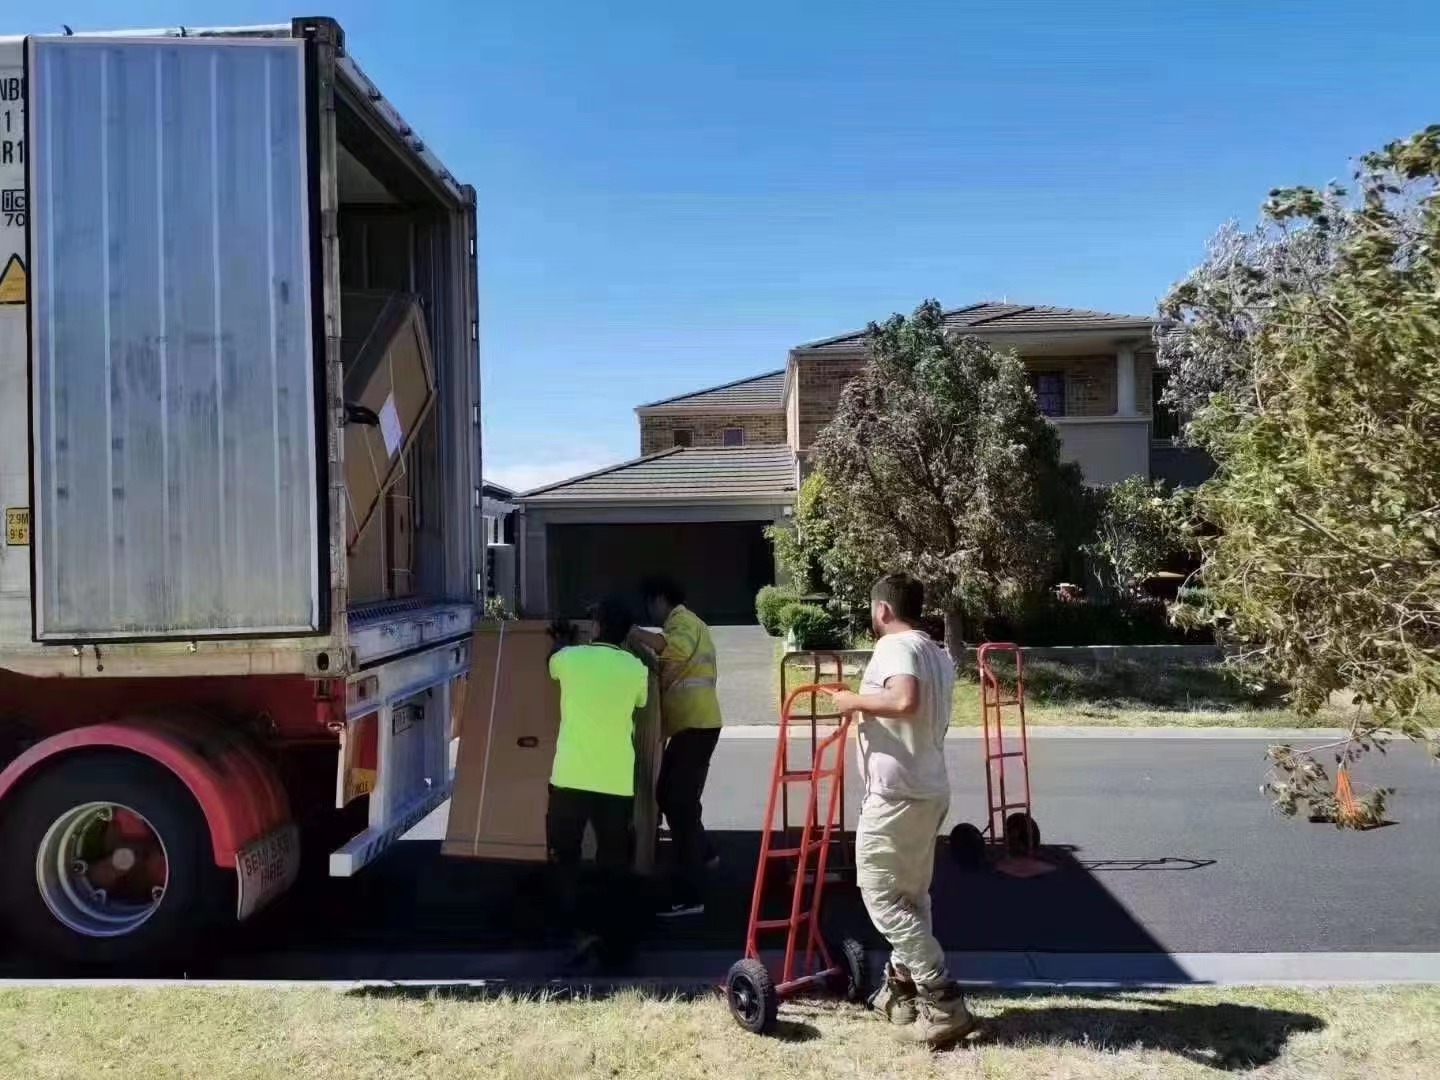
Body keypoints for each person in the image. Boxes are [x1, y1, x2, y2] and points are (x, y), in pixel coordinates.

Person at [829, 573, 976, 1048]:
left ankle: (943, 999)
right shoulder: (937, 653)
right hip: (929, 784)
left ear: (882, 611)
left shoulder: (895, 647)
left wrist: (851, 701)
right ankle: (900, 989)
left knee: (881, 895)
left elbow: (903, 700)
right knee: (912, 897)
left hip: (897, 793)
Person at [546, 595, 650, 971]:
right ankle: (612, 938)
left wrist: (561, 639)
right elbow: (640, 703)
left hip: (570, 777)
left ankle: (571, 932)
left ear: (595, 627)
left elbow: (552, 664)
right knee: (612, 861)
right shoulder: (635, 668)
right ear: (626, 634)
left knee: (566, 858)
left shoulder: (570, 660)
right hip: (615, 781)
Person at [632, 575, 723, 918]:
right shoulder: (688, 622)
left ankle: (690, 892)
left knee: (678, 803)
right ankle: (706, 853)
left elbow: (677, 649)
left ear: (659, 599)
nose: (648, 611)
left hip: (696, 724)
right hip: (693, 724)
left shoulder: (682, 622)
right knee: (671, 797)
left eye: (648, 604)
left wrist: (635, 633)